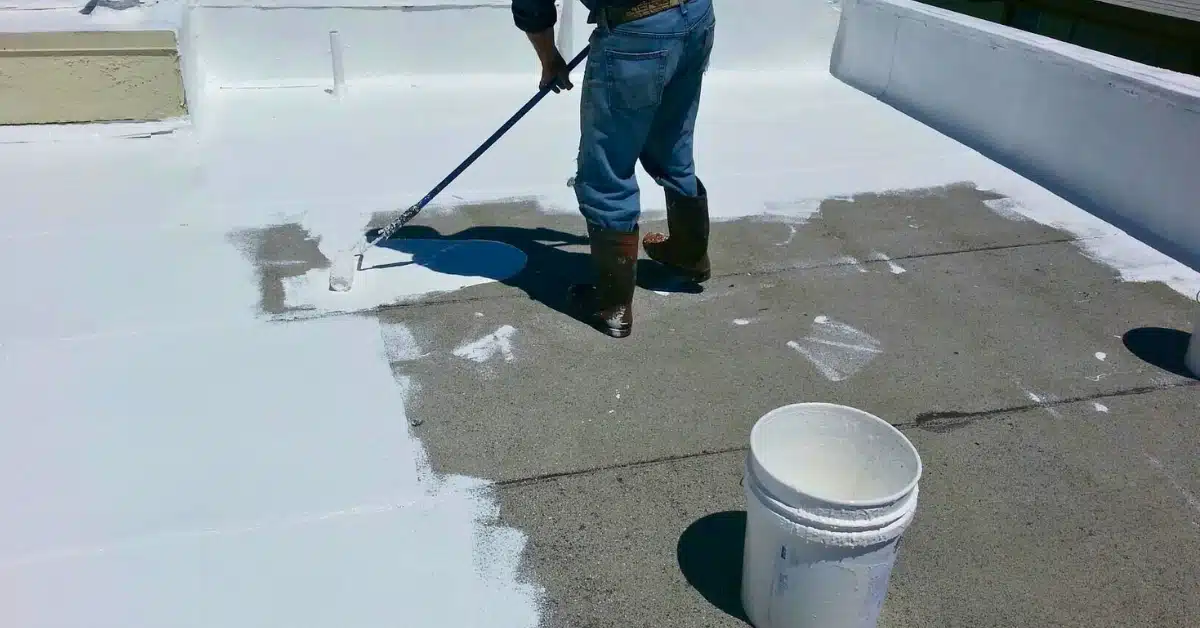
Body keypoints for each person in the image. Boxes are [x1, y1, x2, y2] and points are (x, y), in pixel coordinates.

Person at [512, 0, 716, 338]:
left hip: (637, 32)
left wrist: (549, 59)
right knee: (672, 142)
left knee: (606, 169)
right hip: (695, 16)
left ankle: (611, 306)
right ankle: (688, 254)